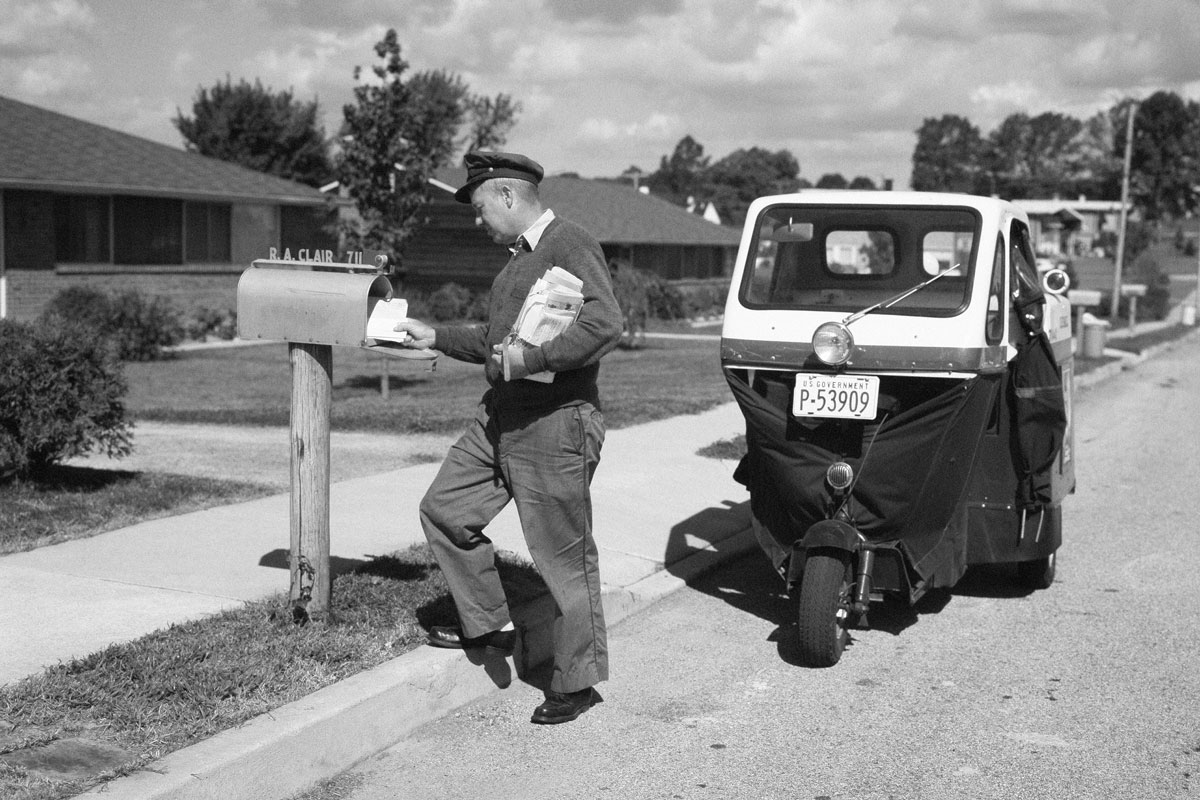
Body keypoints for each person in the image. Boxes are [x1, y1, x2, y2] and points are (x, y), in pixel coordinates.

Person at [393, 151, 624, 725]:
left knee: (562, 557)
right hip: (500, 418)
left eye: (479, 210)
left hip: (554, 422)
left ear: (506, 196)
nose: (479, 222)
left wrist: (535, 359)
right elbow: (496, 340)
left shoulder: (569, 243)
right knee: (444, 510)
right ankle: (488, 622)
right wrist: (437, 335)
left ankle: (576, 681)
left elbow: (604, 324)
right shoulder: (516, 262)